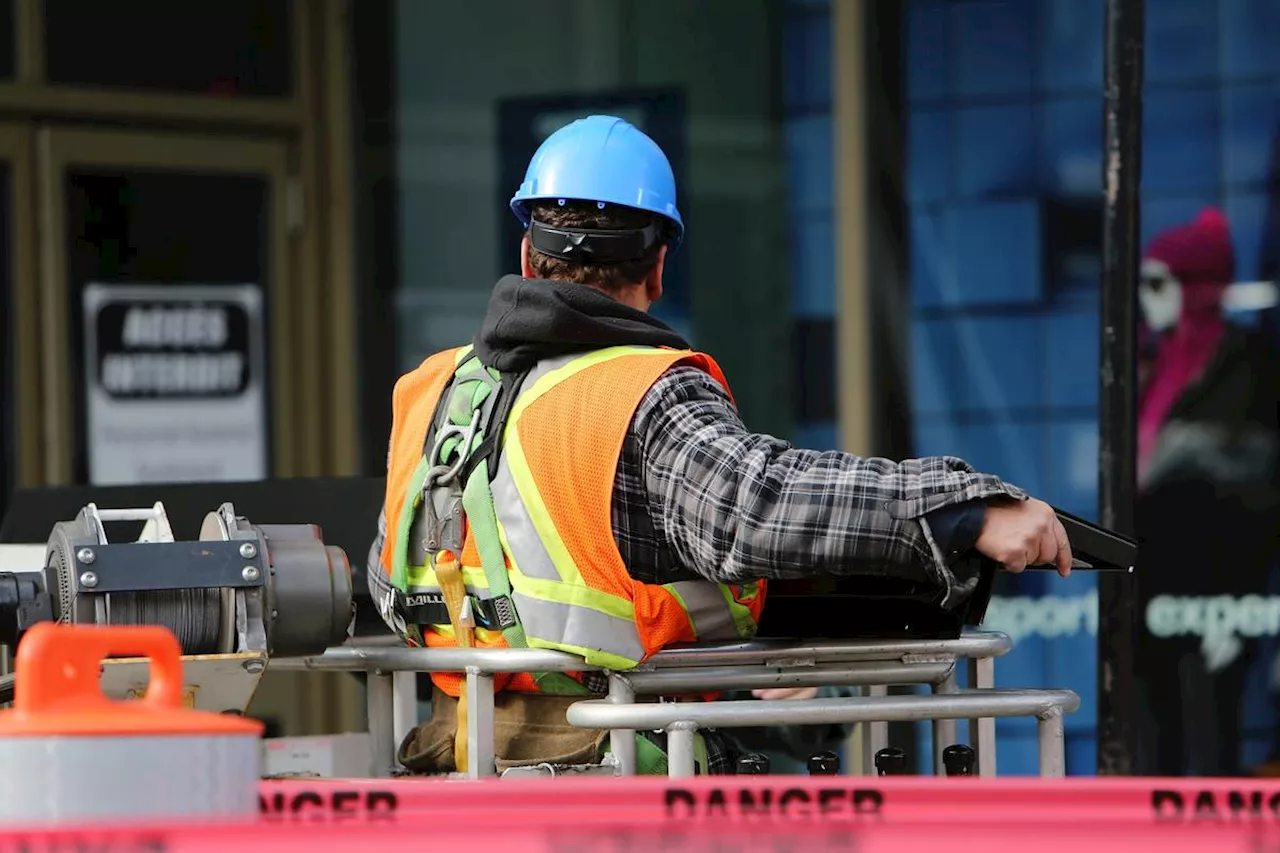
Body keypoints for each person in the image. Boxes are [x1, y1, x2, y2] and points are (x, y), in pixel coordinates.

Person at [367, 115, 1073, 776]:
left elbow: (390, 572)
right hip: (612, 780)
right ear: (658, 267)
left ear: (526, 252)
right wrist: (965, 510)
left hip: (454, 771)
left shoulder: (431, 391)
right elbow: (754, 507)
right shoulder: (639, 392)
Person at [1133, 207, 1280, 776]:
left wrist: (1239, 603)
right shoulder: (1149, 362)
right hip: (1151, 585)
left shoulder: (1249, 365)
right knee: (1155, 734)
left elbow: (1256, 477)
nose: (1148, 299)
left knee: (1214, 732)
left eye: (1158, 283)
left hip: (1222, 587)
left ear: (1194, 287)